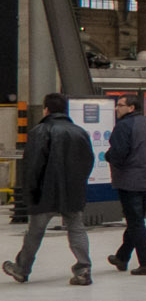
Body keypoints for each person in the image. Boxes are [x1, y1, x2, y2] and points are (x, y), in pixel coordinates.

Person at [4, 93, 94, 285]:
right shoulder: (79, 132)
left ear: (46, 109)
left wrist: (29, 193)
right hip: (72, 191)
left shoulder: (39, 131)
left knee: (35, 232)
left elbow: (33, 165)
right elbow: (88, 161)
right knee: (77, 229)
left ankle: (22, 269)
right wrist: (79, 183)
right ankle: (83, 268)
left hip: (44, 192)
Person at [105, 94, 146, 275]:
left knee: (135, 221)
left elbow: (119, 153)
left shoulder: (123, 126)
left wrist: (108, 157)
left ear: (131, 108)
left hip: (129, 180)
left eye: (121, 105)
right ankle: (122, 257)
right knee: (136, 219)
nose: (117, 108)